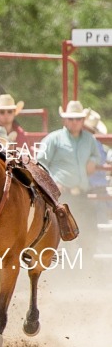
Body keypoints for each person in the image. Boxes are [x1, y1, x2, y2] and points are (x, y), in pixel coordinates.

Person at [37, 100, 101, 248]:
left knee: (89, 233)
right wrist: (52, 183)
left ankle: (88, 267)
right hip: (62, 196)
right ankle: (67, 268)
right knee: (62, 237)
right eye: (71, 119)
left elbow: (96, 156)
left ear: (83, 120)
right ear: (65, 120)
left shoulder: (89, 140)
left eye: (78, 119)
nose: (74, 122)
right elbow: (40, 163)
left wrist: (93, 160)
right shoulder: (54, 138)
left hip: (82, 194)